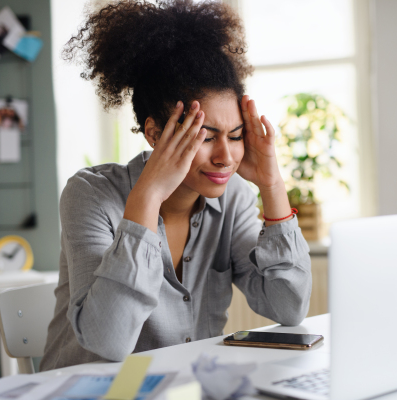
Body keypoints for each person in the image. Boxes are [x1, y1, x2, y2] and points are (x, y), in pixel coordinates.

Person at [40, 0, 312, 371]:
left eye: (235, 136)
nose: (225, 157)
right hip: (91, 391)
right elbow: (109, 342)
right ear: (155, 133)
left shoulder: (232, 199)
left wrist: (271, 183)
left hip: (184, 388)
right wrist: (148, 196)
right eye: (206, 136)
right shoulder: (91, 194)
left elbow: (288, 308)